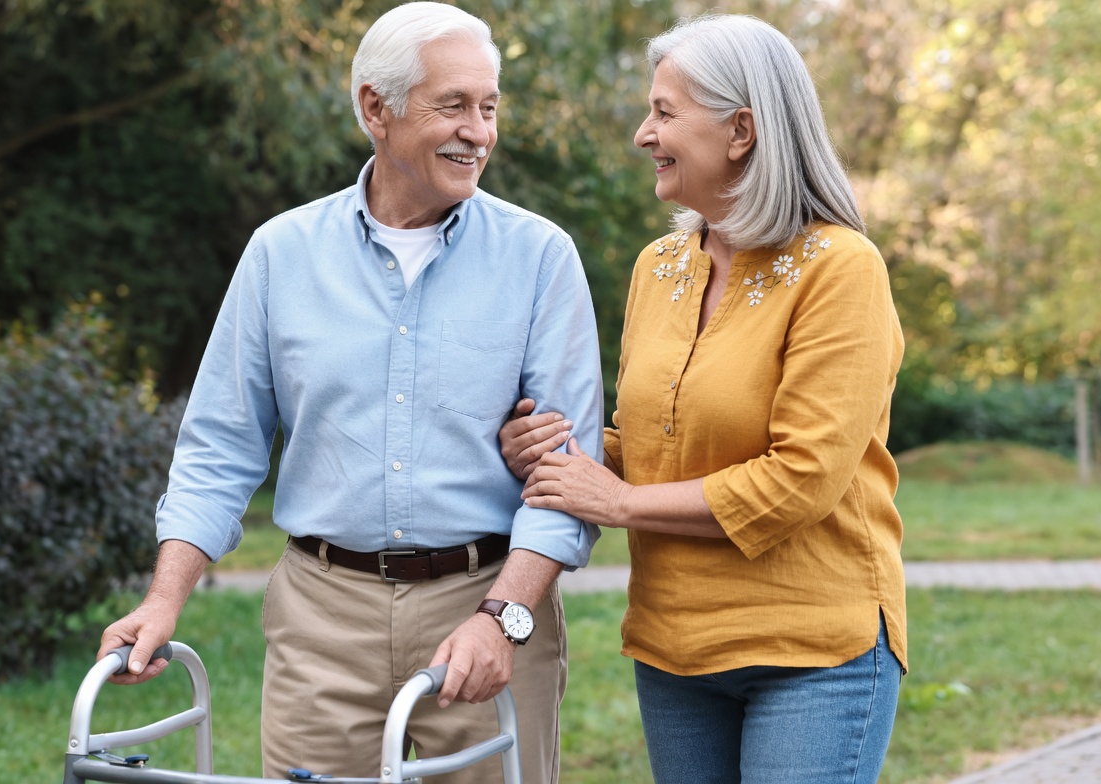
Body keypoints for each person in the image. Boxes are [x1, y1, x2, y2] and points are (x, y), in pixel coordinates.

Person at [97, 3, 603, 782]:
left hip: (485, 597)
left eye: (489, 107)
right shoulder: (281, 253)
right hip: (321, 618)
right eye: (453, 105)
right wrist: (163, 601)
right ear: (376, 108)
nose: (478, 132)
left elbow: (568, 477)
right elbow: (220, 446)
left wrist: (502, 619)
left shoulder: (539, 257)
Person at [500, 14, 906, 784]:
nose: (643, 134)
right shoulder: (659, 267)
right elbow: (646, 444)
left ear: (741, 130)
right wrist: (556, 452)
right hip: (673, 648)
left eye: (664, 111)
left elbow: (802, 479)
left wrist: (618, 502)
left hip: (812, 652)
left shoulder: (841, 268)